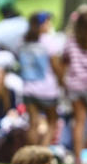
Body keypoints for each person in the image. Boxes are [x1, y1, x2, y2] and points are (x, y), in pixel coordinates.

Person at [57, 5, 87, 163]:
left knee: (79, 121)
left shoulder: (71, 41)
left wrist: (63, 82)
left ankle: (78, 157)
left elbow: (64, 60)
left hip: (75, 85)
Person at [16, 12, 59, 146]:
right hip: (47, 88)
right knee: (52, 121)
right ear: (43, 24)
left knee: (33, 123)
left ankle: (32, 154)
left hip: (28, 87)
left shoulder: (23, 40)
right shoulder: (47, 41)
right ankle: (43, 152)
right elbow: (55, 64)